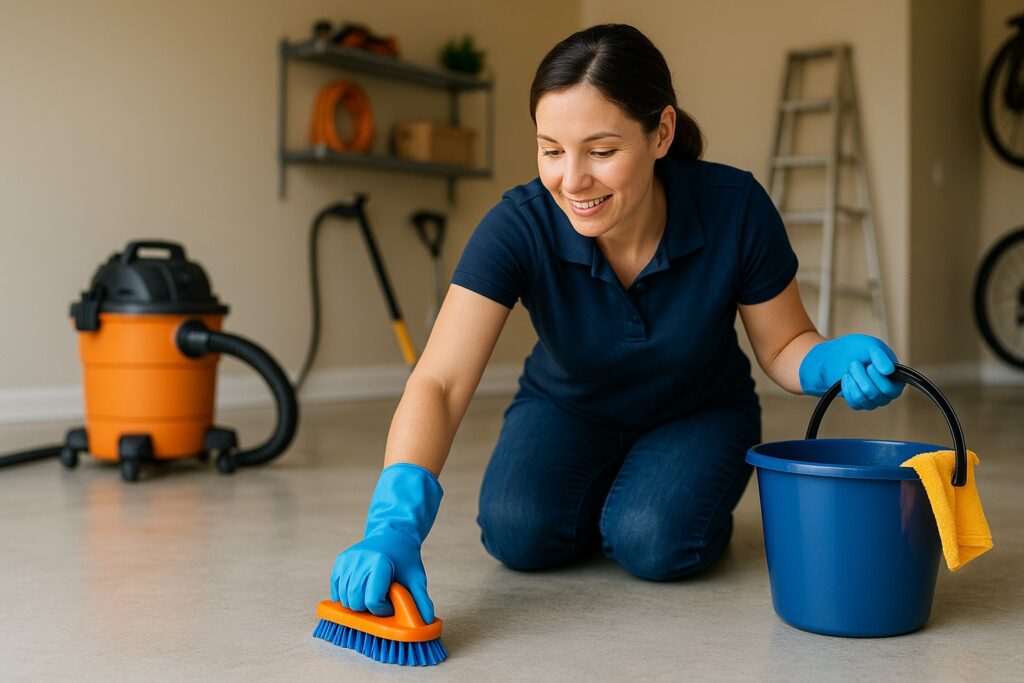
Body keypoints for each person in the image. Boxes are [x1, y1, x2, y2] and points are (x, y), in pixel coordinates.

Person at [328, 24, 904, 624]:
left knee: (653, 541)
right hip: (567, 407)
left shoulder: (735, 208)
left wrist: (830, 361)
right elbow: (440, 381)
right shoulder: (519, 226)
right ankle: (616, 492)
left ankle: (651, 498)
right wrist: (393, 520)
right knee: (516, 535)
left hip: (698, 412)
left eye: (601, 152)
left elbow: (784, 343)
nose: (572, 181)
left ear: (662, 132)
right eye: (551, 150)